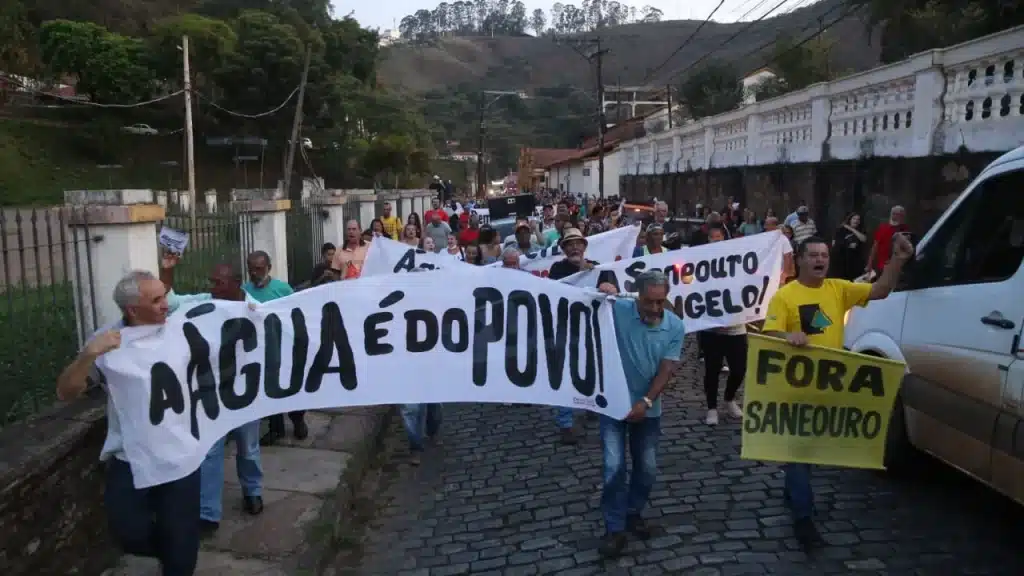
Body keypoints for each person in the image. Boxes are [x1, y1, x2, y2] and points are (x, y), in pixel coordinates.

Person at [761, 232, 913, 549]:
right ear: (800, 260)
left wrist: (897, 259)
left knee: (807, 454)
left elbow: (882, 290)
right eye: (813, 255)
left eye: (824, 255)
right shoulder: (784, 296)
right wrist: (789, 335)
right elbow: (770, 335)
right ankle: (804, 520)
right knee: (800, 453)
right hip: (795, 392)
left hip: (828, 390)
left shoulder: (839, 289)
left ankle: (792, 489)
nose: (820, 260)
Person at [55, 267, 201, 576]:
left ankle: (178, 558)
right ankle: (170, 550)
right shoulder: (108, 342)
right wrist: (87, 356)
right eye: (157, 299)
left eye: (165, 296)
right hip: (131, 455)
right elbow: (66, 393)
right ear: (133, 309)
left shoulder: (179, 324)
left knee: (183, 542)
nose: (166, 304)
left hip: (181, 454)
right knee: (127, 531)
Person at [594, 270, 686, 559]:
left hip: (648, 409)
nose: (656, 309)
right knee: (614, 468)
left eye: (661, 302)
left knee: (647, 469)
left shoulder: (675, 326)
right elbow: (585, 303)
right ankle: (614, 527)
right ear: (637, 296)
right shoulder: (617, 309)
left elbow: (666, 369)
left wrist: (646, 402)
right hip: (612, 405)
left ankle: (633, 511)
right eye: (649, 302)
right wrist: (602, 289)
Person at [547, 228, 616, 444]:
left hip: (592, 330)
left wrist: (608, 286)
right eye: (570, 244)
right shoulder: (557, 269)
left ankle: (590, 405)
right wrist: (579, 270)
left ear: (585, 247)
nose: (575, 247)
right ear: (564, 249)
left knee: (591, 371)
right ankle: (565, 422)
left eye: (578, 243)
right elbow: (552, 291)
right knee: (566, 374)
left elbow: (613, 291)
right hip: (565, 330)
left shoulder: (599, 268)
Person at [244, 251, 308, 446]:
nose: (255, 273)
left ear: (268, 268)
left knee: (291, 387)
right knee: (269, 390)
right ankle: (276, 428)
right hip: (259, 350)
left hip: (283, 346)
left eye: (259, 269)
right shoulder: (244, 290)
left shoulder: (283, 289)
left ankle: (298, 420)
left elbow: (297, 312)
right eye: (251, 269)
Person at [696, 224, 746, 425]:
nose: (716, 240)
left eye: (719, 236)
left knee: (739, 369)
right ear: (708, 240)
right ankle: (711, 408)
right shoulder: (702, 262)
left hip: (736, 326)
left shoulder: (736, 259)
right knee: (712, 369)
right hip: (712, 328)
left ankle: (729, 398)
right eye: (712, 237)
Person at [865, 205, 908, 276]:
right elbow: (875, 247)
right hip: (881, 266)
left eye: (897, 214)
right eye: (893, 213)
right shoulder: (882, 227)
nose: (894, 216)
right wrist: (869, 264)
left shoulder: (904, 229)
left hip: (896, 266)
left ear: (902, 216)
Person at [831, 212, 867, 280]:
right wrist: (848, 245)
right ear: (850, 219)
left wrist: (851, 229)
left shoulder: (861, 230)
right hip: (841, 260)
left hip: (855, 262)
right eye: (854, 219)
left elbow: (863, 239)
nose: (856, 221)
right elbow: (834, 243)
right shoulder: (841, 229)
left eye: (858, 219)